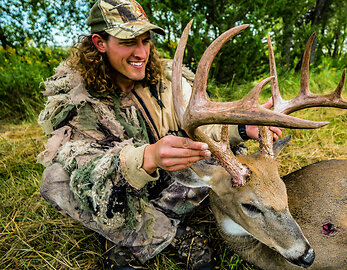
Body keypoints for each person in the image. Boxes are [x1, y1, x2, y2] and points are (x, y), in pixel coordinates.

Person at [37, 0, 281, 269]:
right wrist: (147, 157)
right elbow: (84, 167)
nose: (141, 52)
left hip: (180, 184)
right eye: (128, 42)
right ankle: (171, 234)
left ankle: (125, 235)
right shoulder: (79, 99)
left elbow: (204, 131)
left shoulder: (168, 82)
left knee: (233, 161)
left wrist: (242, 129)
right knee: (56, 181)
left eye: (145, 40)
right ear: (100, 43)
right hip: (126, 193)